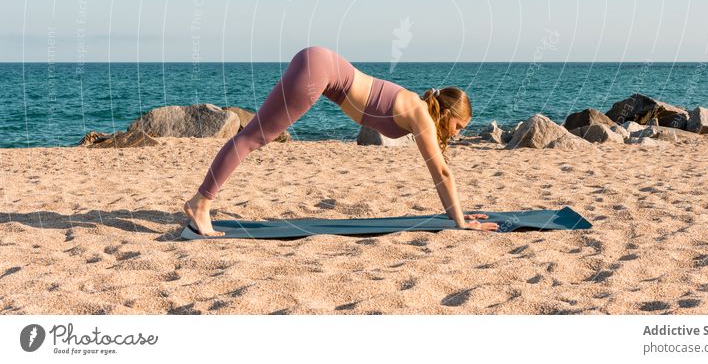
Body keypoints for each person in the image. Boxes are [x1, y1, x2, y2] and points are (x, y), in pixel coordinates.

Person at [183, 45, 499, 236]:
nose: (457, 133)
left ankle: (202, 201)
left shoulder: (418, 109)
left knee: (254, 136)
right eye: (458, 125)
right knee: (253, 137)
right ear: (445, 114)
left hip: (318, 63)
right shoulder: (421, 116)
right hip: (319, 69)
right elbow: (442, 173)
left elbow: (439, 174)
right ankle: (201, 204)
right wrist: (460, 223)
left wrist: (454, 213)